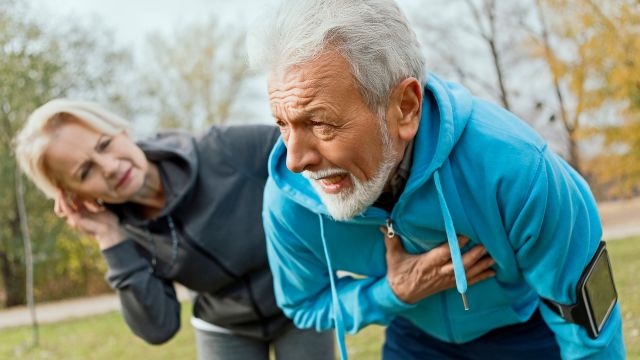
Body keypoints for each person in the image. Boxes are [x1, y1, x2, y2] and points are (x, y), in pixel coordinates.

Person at [248, 0, 626, 359]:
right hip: (416, 340)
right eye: (282, 124)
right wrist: (392, 293)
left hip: (527, 335)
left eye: (320, 123)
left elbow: (589, 323)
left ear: (405, 108)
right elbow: (303, 304)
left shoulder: (519, 168)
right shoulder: (287, 199)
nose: (295, 161)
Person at [14, 99, 336, 360]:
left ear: (122, 131)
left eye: (105, 144)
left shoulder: (223, 150)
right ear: (75, 197)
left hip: (300, 304)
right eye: (85, 172)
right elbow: (159, 328)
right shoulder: (124, 231)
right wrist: (110, 238)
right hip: (223, 328)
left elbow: (312, 157)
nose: (110, 167)